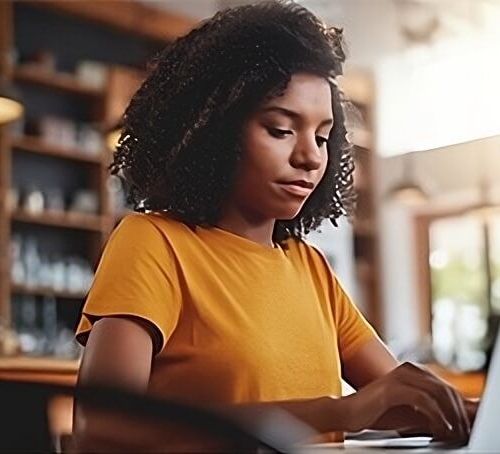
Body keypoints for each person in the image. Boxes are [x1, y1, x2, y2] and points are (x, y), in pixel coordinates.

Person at [72, 1, 477, 451]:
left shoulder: (310, 269)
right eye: (281, 130)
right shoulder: (154, 243)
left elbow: (399, 399)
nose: (310, 157)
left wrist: (472, 410)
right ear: (212, 132)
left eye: (322, 137)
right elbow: (103, 431)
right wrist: (338, 411)